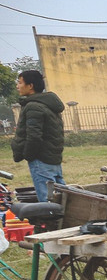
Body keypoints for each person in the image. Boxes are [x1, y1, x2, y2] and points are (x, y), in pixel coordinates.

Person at [9, 70, 64, 202]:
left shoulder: (33, 106)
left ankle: (54, 222)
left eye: (20, 82)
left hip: (41, 161)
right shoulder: (48, 104)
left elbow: (34, 136)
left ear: (30, 86)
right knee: (60, 198)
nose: (17, 86)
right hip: (53, 160)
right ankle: (64, 222)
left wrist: (29, 155)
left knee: (48, 201)